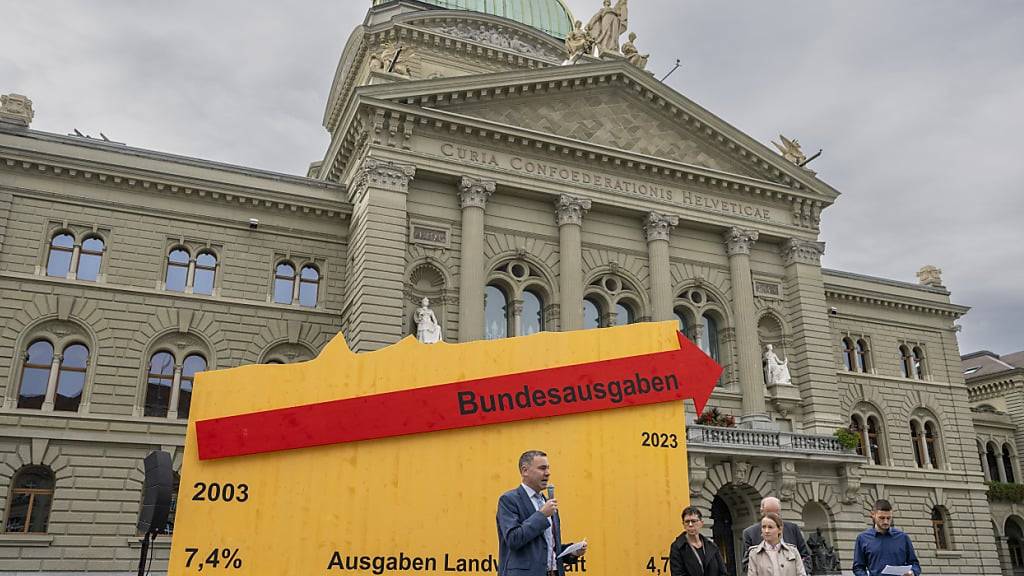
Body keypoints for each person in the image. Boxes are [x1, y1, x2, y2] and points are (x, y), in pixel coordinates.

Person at [496, 450, 586, 576]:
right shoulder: (509, 500)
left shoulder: (547, 502)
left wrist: (572, 552)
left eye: (548, 468)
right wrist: (542, 515)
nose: (548, 473)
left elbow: (548, 548)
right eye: (542, 468)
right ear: (524, 470)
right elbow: (513, 539)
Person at [742, 497, 810, 574]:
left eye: (776, 514)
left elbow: (805, 557)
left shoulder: (793, 529)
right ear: (762, 512)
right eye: (769, 514)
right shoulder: (750, 534)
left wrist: (801, 571)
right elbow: (746, 566)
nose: (773, 518)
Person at [852, 499, 920, 576]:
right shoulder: (862, 538)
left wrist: (912, 572)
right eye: (882, 518)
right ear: (873, 515)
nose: (885, 522)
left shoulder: (903, 537)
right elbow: (858, 568)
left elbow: (915, 564)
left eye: (889, 518)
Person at [669, 506, 727, 576]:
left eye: (693, 521)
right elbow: (677, 574)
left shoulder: (712, 547)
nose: (690, 525)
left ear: (701, 523)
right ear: (683, 525)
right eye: (687, 522)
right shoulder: (677, 547)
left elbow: (723, 572)